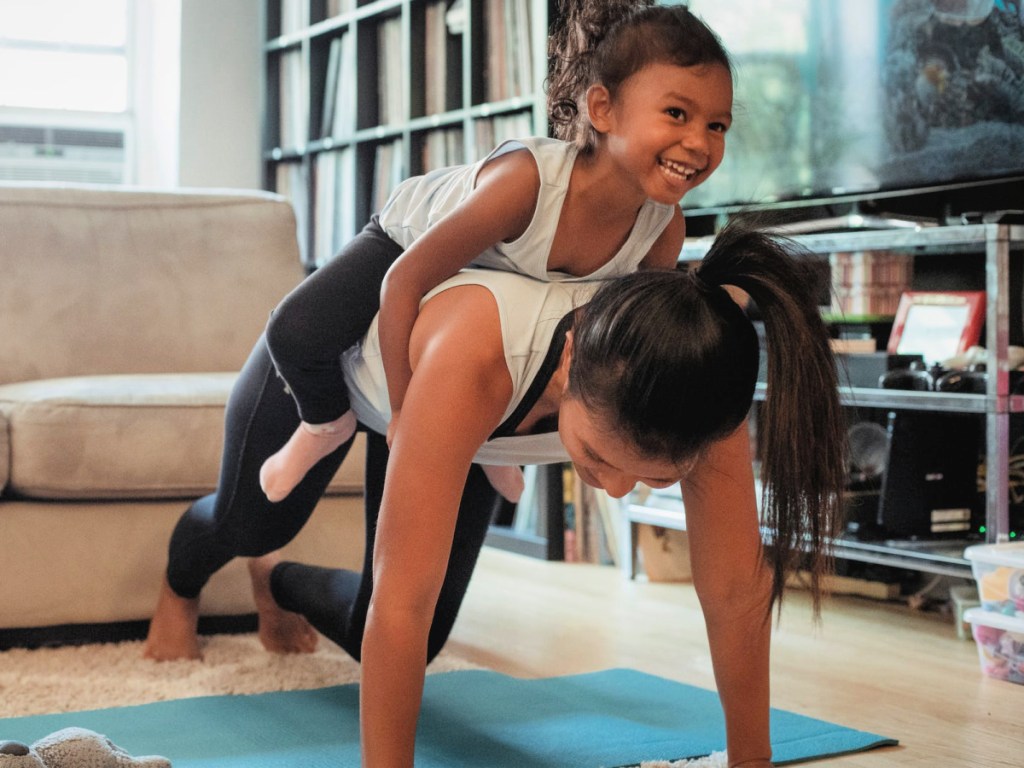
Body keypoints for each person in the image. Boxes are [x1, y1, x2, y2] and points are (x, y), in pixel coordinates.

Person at [145, 216, 846, 768]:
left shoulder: (696, 382)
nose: (626, 491)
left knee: (406, 643)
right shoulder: (481, 358)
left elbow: (732, 590)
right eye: (600, 459)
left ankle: (278, 585)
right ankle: (181, 586)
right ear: (570, 363)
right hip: (325, 378)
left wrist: (751, 759)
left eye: (656, 478)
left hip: (450, 426)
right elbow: (402, 595)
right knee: (251, 523)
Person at [257, 0, 736, 505]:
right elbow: (403, 281)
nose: (699, 142)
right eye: (677, 114)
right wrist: (402, 414)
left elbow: (615, 351)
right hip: (407, 238)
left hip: (517, 294)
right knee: (293, 330)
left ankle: (491, 454)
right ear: (603, 110)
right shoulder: (527, 184)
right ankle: (323, 424)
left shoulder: (662, 231)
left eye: (717, 126)